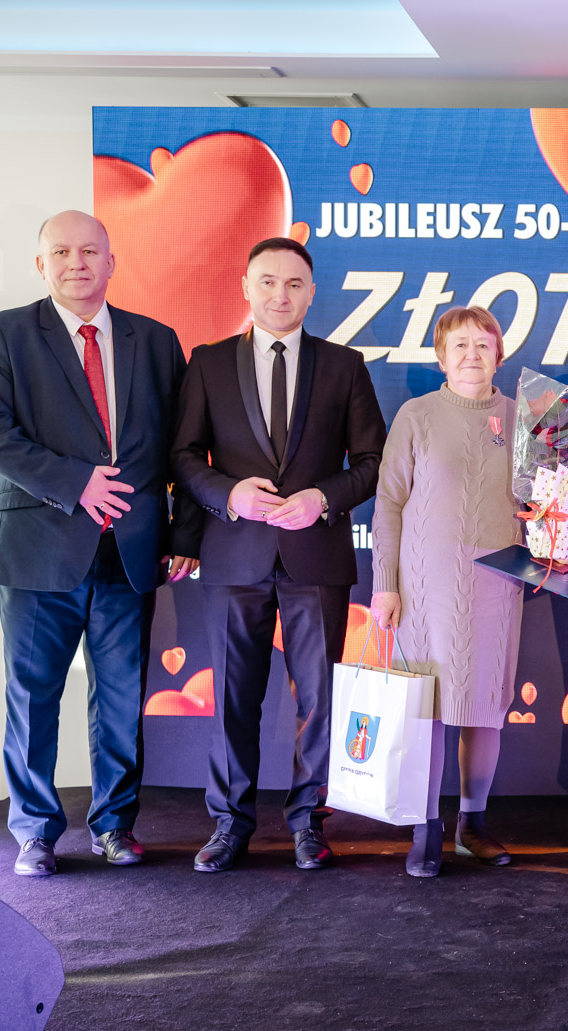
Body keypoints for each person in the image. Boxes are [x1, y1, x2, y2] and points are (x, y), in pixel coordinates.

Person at [0, 209, 199, 877]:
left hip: (131, 550)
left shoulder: (155, 340)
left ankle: (114, 825)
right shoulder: (4, 334)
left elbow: (182, 447)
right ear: (41, 264)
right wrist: (76, 483)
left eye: (91, 251)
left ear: (111, 262)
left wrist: (184, 531)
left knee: (122, 698)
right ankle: (35, 833)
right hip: (39, 550)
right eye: (63, 252)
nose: (78, 262)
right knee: (33, 697)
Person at [171, 236, 387, 872]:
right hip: (233, 555)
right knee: (233, 698)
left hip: (315, 556)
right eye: (267, 282)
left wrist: (324, 497)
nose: (280, 295)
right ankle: (229, 824)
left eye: (293, 284)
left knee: (319, 700)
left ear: (311, 292)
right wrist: (228, 494)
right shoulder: (208, 363)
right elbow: (183, 456)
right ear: (246, 287)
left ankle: (308, 823)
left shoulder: (345, 365)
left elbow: (372, 461)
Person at [369, 307, 524, 878]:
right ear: (440, 357)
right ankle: (425, 827)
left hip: (498, 586)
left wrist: (549, 535)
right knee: (426, 710)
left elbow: (548, 500)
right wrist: (385, 585)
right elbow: (388, 504)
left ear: (498, 355)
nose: (471, 355)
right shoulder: (416, 415)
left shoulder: (525, 420)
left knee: (484, 709)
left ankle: (472, 825)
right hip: (423, 590)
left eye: (483, 344)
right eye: (459, 345)